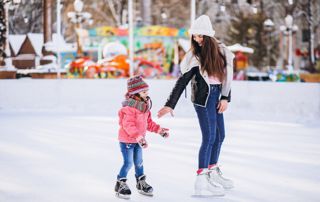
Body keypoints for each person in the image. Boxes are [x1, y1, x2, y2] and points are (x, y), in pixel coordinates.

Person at [157, 15, 235, 196]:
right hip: (203, 99)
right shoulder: (194, 56)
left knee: (220, 136)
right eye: (195, 36)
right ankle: (201, 180)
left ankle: (212, 171)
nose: (197, 40)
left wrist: (225, 98)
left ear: (209, 37)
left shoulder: (222, 52)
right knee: (209, 137)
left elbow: (227, 78)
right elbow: (182, 81)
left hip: (218, 96)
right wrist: (170, 105)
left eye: (201, 36)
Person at [115, 75, 169, 199]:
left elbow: (148, 123)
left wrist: (159, 130)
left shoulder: (144, 107)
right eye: (144, 92)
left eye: (147, 91)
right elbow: (128, 125)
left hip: (139, 141)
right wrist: (139, 137)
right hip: (127, 141)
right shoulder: (128, 108)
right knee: (128, 163)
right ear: (135, 93)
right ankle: (120, 184)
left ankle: (140, 183)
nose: (146, 94)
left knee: (139, 163)